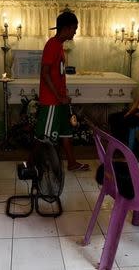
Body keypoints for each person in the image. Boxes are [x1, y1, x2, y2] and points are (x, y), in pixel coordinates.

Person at [35, 11, 89, 172]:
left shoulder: (59, 46)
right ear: (66, 28)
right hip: (51, 101)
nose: (75, 32)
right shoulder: (52, 45)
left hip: (60, 99)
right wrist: (58, 95)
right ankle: (30, 166)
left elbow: (57, 73)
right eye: (74, 28)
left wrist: (63, 93)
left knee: (66, 132)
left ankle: (71, 163)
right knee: (43, 137)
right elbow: (44, 73)